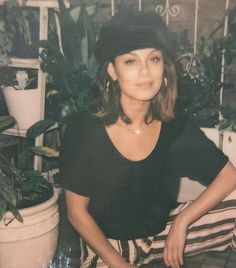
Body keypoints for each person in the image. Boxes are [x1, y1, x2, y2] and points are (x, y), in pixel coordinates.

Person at [59, 9, 236, 268]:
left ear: (164, 67)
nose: (145, 72)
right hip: (108, 246)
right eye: (130, 61)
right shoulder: (87, 130)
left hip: (161, 233)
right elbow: (76, 214)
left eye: (153, 59)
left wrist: (183, 220)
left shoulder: (174, 127)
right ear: (112, 70)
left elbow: (229, 176)